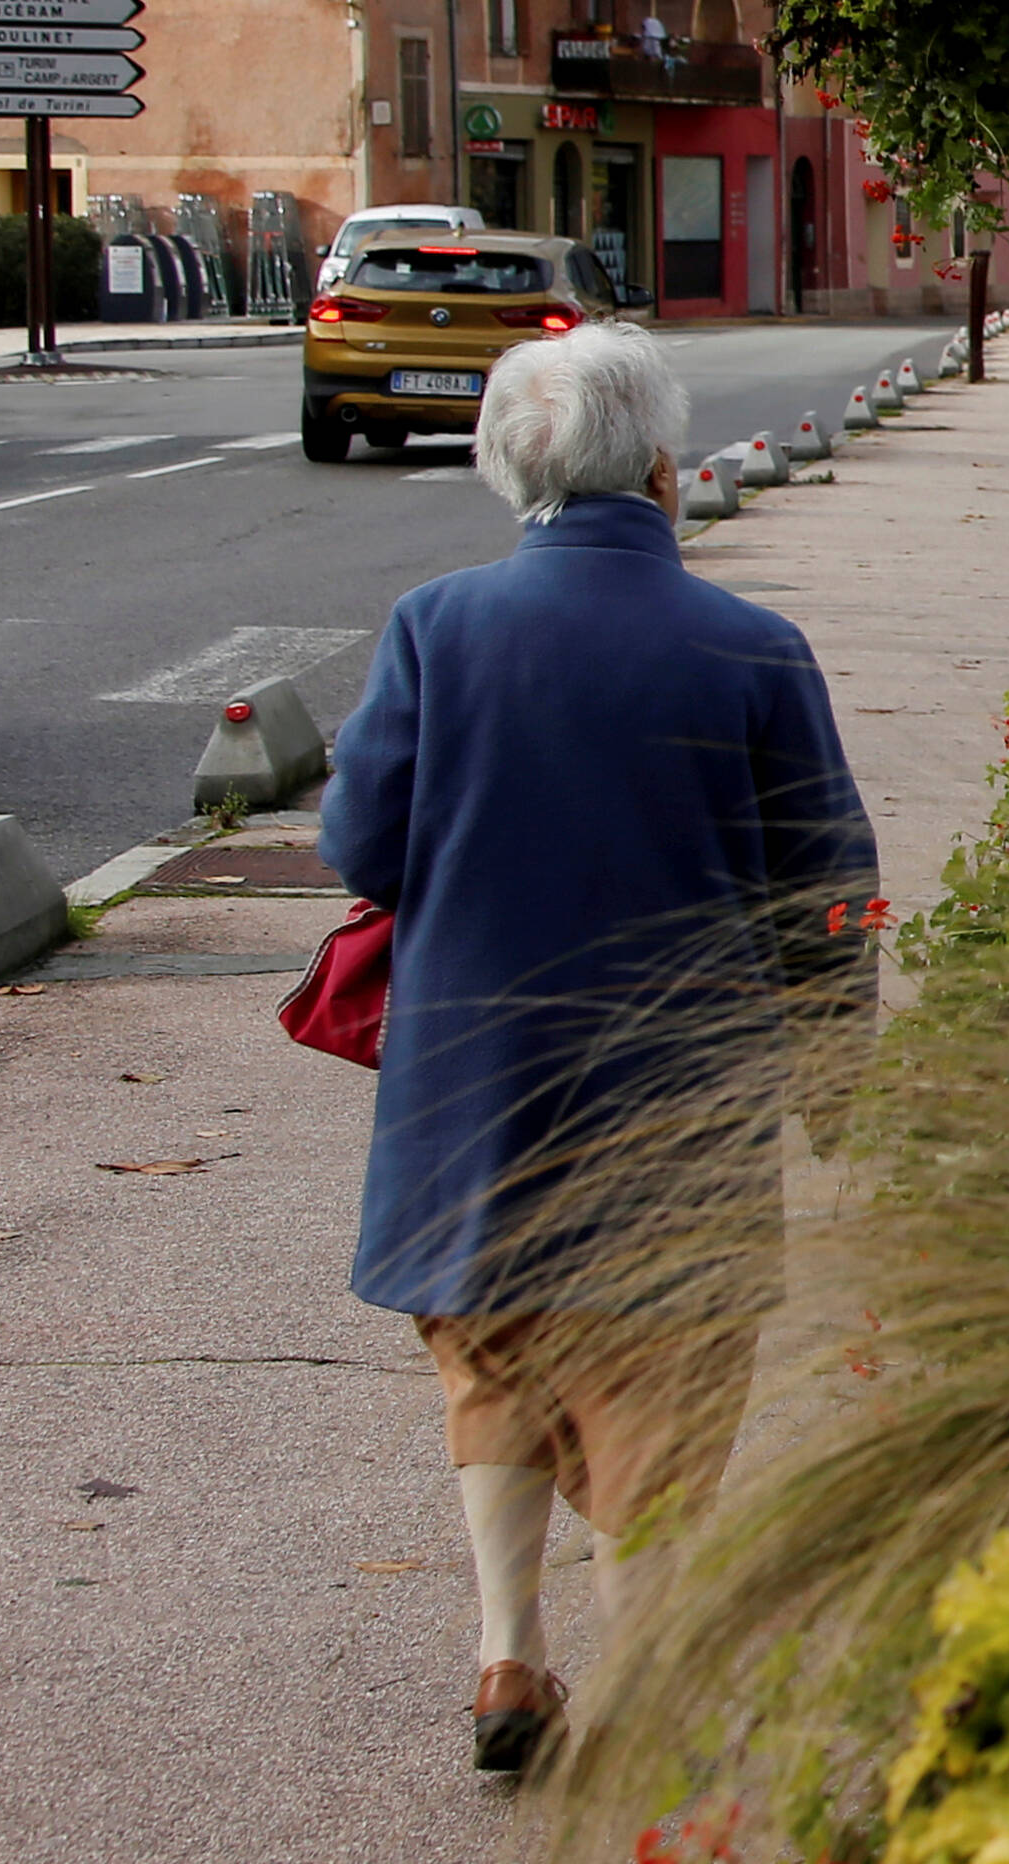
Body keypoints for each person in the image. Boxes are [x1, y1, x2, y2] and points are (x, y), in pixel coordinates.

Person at [322, 321, 875, 1777]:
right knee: (663, 1389)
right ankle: (643, 1702)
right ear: (663, 474)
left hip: (472, 1093)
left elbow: (358, 842)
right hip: (675, 1104)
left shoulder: (434, 629)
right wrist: (841, 1082)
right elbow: (828, 891)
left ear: (511, 473)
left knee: (490, 1360)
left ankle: (510, 1657)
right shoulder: (754, 650)